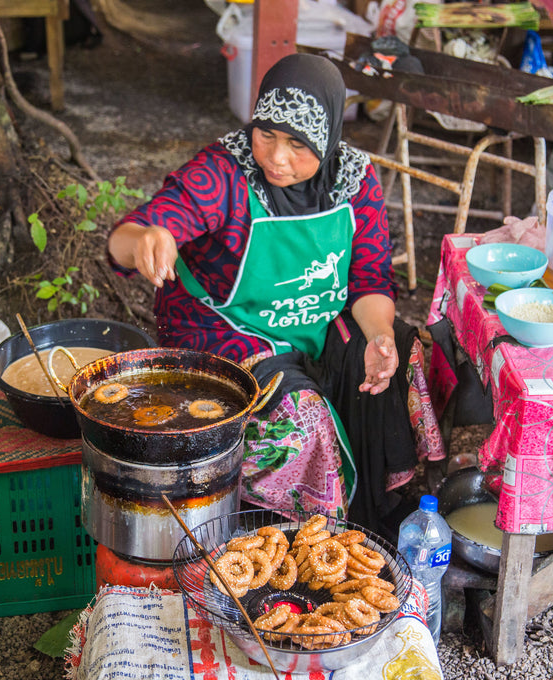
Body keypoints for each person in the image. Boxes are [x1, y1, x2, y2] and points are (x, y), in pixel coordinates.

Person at [107, 53, 443, 532]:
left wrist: (379, 335)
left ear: (327, 141)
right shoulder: (223, 173)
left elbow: (369, 279)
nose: (276, 157)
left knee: (403, 353)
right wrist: (145, 238)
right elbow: (127, 237)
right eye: (266, 134)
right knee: (299, 413)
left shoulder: (354, 179)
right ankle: (287, 532)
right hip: (223, 327)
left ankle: (374, 507)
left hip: (313, 319)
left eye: (297, 144)